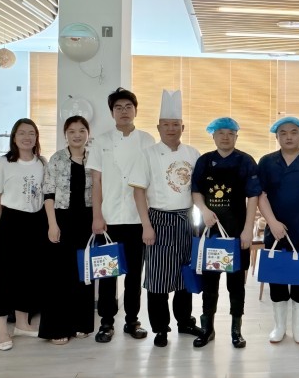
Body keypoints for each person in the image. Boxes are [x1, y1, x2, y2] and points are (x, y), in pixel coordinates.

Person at [129, 90, 203, 348]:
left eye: (175, 124)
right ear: (158, 127)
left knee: (185, 275)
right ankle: (160, 328)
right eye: (166, 124)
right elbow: (138, 191)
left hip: (187, 220)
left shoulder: (193, 153)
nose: (171, 129)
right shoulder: (147, 154)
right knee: (158, 279)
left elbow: (198, 190)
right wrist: (146, 226)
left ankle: (185, 322)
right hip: (158, 220)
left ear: (183, 127)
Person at [86, 87, 155, 343]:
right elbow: (96, 182)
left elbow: (151, 179)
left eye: (128, 107)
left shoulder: (147, 140)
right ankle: (106, 322)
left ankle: (132, 320)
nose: (124, 111)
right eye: (118, 108)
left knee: (135, 274)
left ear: (135, 110)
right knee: (107, 273)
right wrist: (97, 216)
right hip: (109, 218)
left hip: (138, 218)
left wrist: (148, 222)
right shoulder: (101, 141)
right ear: (112, 113)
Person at [191, 117, 260, 349]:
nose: (225, 137)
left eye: (230, 133)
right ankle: (207, 329)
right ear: (213, 136)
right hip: (210, 233)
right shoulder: (204, 161)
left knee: (236, 285)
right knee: (209, 284)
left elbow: (253, 197)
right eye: (220, 133)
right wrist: (203, 210)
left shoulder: (245, 161)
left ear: (236, 137)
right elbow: (196, 191)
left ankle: (236, 331)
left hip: (237, 232)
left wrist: (248, 229)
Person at [257, 117, 299, 344]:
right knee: (277, 278)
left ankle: (298, 327)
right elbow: (260, 196)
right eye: (283, 133)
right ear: (277, 137)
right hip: (275, 230)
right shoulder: (267, 162)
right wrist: (272, 222)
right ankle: (279, 326)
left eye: (293, 132)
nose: (289, 137)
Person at [0, 118, 48, 351]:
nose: (27, 137)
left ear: (36, 138)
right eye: (22, 133)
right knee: (5, 276)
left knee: (29, 274)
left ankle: (22, 324)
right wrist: (3, 221)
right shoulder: (4, 163)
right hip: (11, 221)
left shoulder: (42, 162)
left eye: (31, 133)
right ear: (14, 137)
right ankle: (2, 330)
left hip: (36, 221)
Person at [39, 116, 95, 345]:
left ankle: (82, 323)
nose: (77, 135)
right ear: (65, 135)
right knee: (60, 275)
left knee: (84, 272)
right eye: (72, 131)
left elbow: (102, 190)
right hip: (62, 219)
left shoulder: (95, 158)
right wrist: (52, 224)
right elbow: (48, 193)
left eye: (81, 130)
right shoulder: (57, 159)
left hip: (88, 220)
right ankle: (58, 327)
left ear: (88, 133)